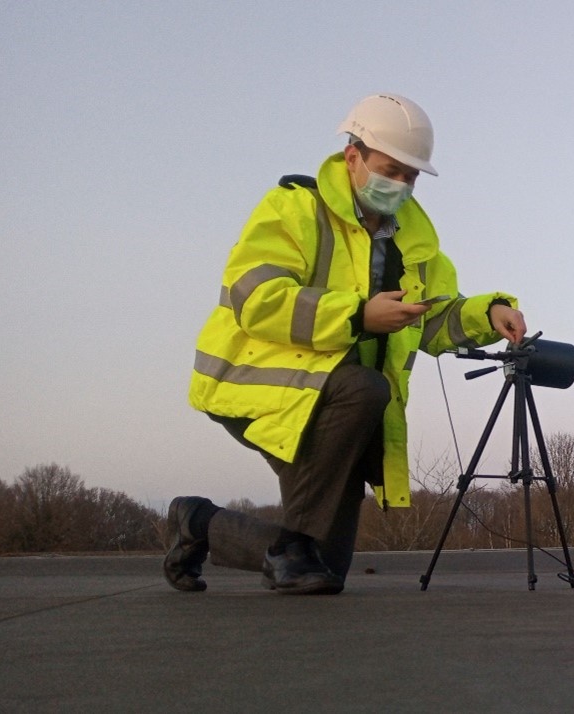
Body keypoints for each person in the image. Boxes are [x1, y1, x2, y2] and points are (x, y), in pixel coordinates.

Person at [165, 94, 528, 595]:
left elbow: (432, 318)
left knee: (319, 566)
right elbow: (256, 297)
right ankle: (264, 542)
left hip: (338, 409)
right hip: (260, 386)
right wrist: (358, 314)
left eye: (411, 175)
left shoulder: (416, 243)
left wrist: (488, 313)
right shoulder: (293, 208)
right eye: (390, 169)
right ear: (352, 156)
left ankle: (198, 523)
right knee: (368, 388)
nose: (400, 184)